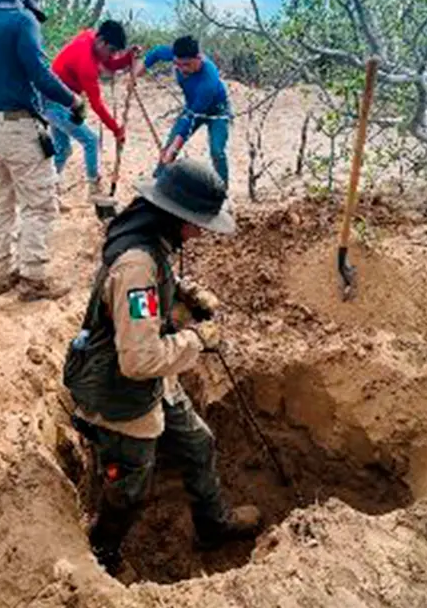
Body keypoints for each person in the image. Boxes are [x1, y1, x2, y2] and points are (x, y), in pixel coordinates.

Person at [62, 159, 262, 577]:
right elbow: (140, 360)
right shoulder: (137, 267)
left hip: (153, 382)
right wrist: (198, 340)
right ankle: (105, 556)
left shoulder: (150, 241)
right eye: (196, 222)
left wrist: (185, 292)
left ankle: (212, 526)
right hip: (121, 393)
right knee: (129, 488)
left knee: (198, 444)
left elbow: (151, 296)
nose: (200, 231)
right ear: (174, 215)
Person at [0, 0, 87, 301]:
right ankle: (33, 278)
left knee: (3, 200)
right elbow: (40, 74)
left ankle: (0, 274)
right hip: (17, 124)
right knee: (40, 204)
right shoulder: (21, 19)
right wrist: (73, 100)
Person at [46, 20, 139, 199]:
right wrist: (116, 129)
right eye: (111, 50)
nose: (111, 55)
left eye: (115, 52)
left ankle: (47, 192)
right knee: (91, 141)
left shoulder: (90, 38)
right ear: (102, 41)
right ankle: (94, 189)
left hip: (61, 100)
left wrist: (128, 58)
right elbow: (96, 104)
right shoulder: (86, 62)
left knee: (63, 149)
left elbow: (111, 64)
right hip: (54, 102)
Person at [138, 35, 231, 188]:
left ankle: (222, 191)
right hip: (191, 108)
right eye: (177, 64)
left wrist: (174, 149)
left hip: (217, 112)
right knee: (168, 148)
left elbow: (191, 118)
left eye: (186, 65)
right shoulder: (176, 54)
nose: (181, 69)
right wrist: (138, 73)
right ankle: (157, 183)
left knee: (217, 151)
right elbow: (156, 53)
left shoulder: (209, 80)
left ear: (199, 58)